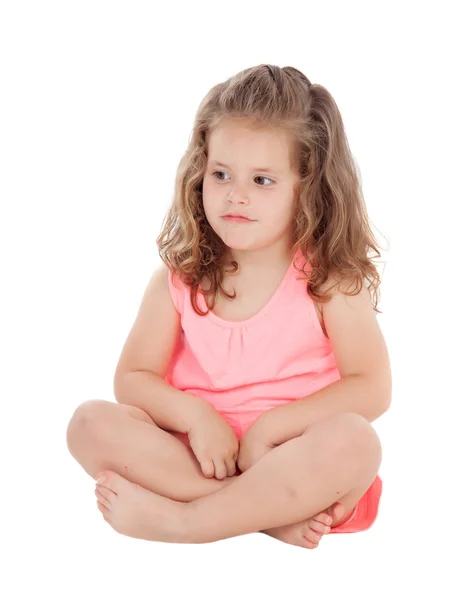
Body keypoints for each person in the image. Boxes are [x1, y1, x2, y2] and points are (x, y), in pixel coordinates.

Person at [66, 64, 391, 548]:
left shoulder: (330, 281)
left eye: (262, 180)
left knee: (356, 441)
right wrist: (197, 419)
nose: (236, 195)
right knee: (88, 423)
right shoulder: (178, 282)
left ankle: (187, 521)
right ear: (200, 173)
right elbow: (131, 380)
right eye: (221, 174)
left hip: (297, 465)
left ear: (308, 188)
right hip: (195, 461)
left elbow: (373, 390)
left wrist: (271, 429)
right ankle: (258, 516)